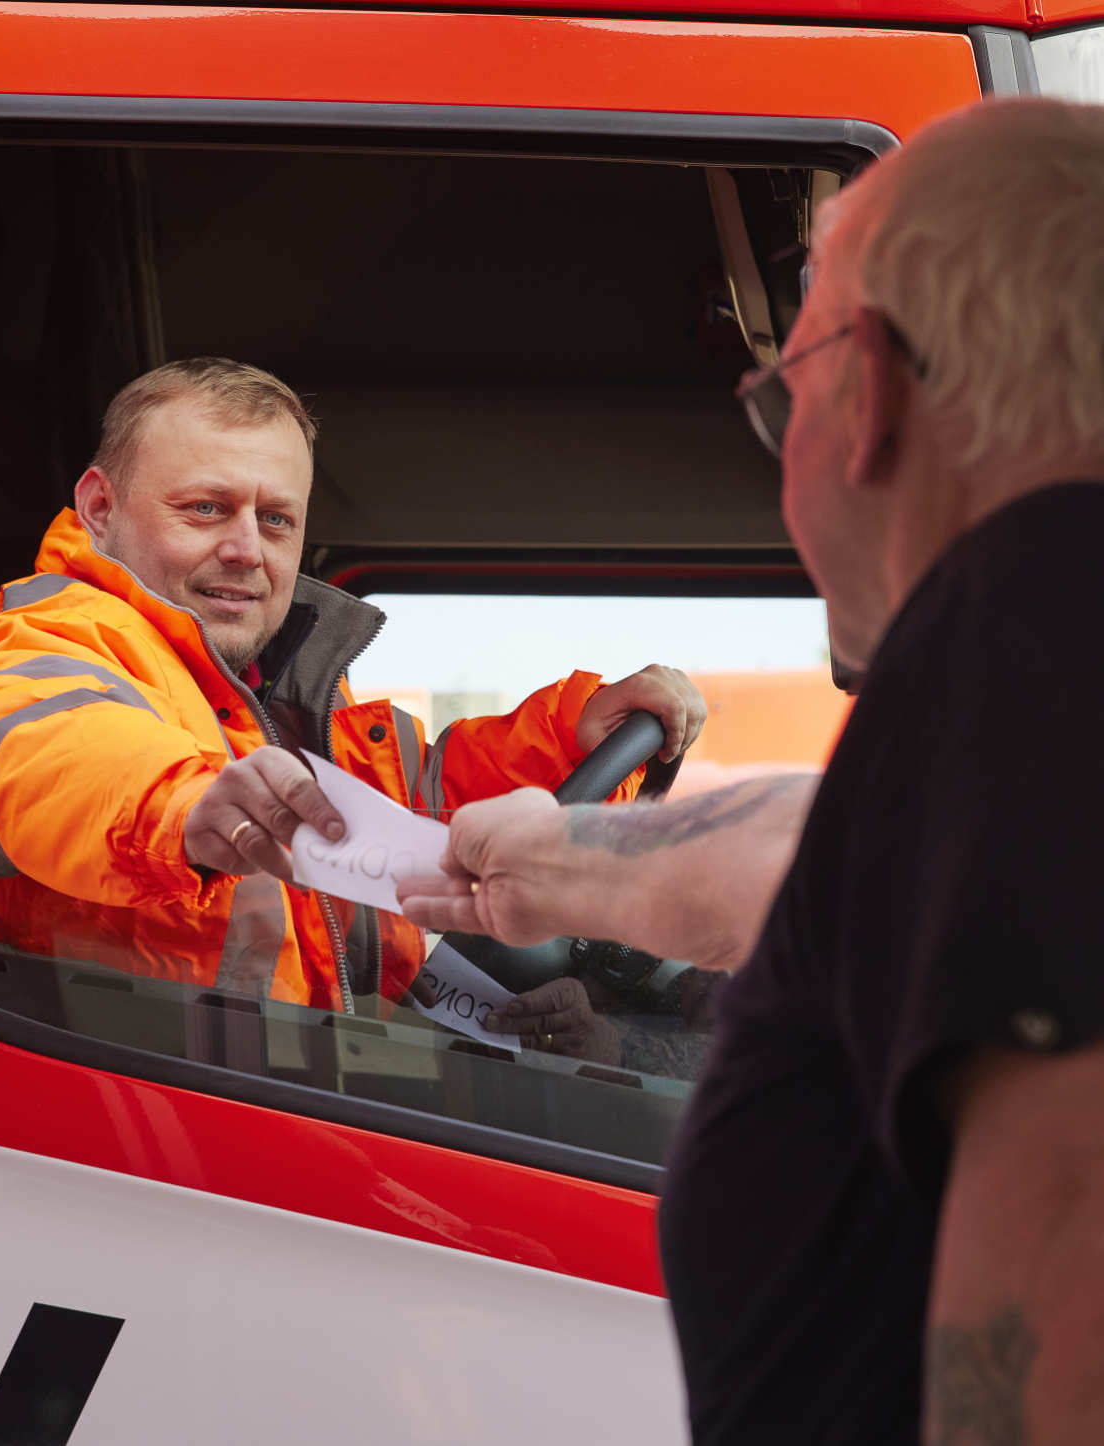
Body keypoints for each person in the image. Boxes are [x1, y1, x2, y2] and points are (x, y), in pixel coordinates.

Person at [399, 98, 1104, 1443]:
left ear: (872, 386)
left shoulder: (1033, 615)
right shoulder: (1035, 684)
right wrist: (550, 859)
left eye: (784, 397)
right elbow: (820, 846)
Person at [0, 357, 706, 1012]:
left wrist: (575, 735)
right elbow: (38, 745)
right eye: (206, 509)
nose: (249, 549)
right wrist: (183, 805)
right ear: (100, 509)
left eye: (275, 519)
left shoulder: (268, 696)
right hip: (97, 1143)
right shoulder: (35, 646)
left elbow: (416, 795)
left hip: (264, 1119)